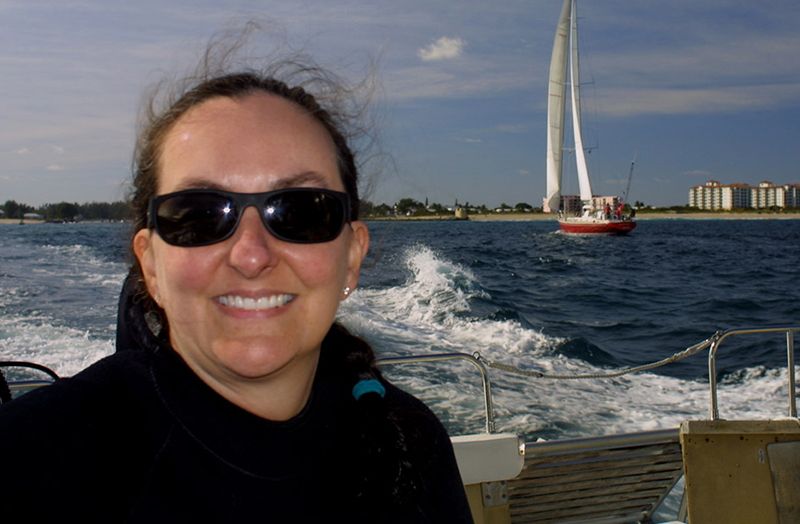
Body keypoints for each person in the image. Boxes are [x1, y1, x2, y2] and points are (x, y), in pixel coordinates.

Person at [0, 42, 473, 523]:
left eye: (300, 212)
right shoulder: (28, 459)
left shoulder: (411, 443)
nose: (251, 255)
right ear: (151, 266)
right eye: (199, 215)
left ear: (352, 257)